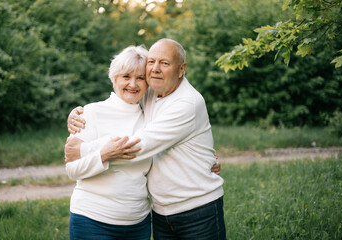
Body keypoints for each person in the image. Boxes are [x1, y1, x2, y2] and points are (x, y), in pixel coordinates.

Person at [68, 38, 226, 239]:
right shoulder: (149, 94)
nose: (155, 69)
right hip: (157, 214)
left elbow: (141, 145)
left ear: (181, 69)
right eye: (151, 62)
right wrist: (76, 115)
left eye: (165, 63)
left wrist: (85, 150)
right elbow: (120, 101)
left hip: (195, 209)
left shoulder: (186, 102)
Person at [65, 45, 152, 240]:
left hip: (138, 223)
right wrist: (104, 155)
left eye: (140, 78)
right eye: (126, 76)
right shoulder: (90, 113)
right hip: (92, 220)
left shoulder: (152, 118)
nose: (133, 84)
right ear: (114, 78)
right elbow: (72, 170)